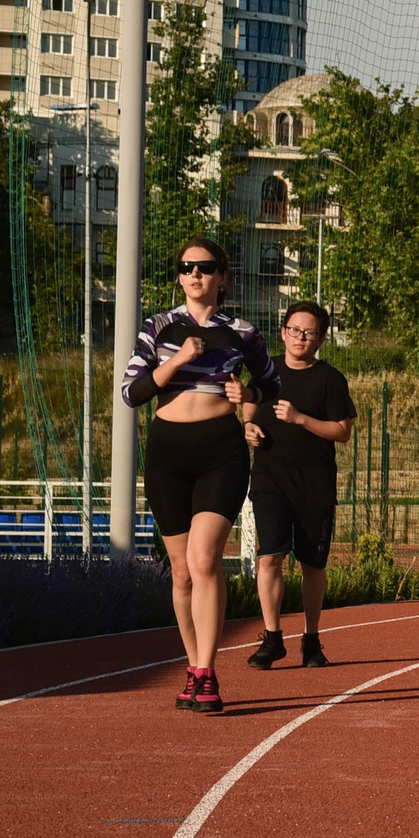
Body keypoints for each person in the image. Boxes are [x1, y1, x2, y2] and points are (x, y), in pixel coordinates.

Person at [120, 238, 281, 717]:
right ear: (179, 276)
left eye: (205, 268)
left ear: (223, 276)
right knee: (184, 571)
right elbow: (132, 392)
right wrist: (177, 359)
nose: (195, 274)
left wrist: (245, 390)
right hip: (168, 453)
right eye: (186, 267)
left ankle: (208, 673)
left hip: (221, 450)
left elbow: (271, 385)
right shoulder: (159, 327)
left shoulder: (242, 332)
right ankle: (192, 667)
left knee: (205, 559)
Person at [240, 301, 353, 671]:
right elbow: (247, 405)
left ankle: (311, 639)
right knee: (270, 556)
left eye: (308, 332)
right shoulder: (265, 371)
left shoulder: (329, 379)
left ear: (320, 338)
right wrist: (248, 428)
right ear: (283, 330)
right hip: (270, 480)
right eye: (293, 329)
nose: (299, 337)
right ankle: (272, 639)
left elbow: (342, 431)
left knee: (311, 564)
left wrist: (301, 418)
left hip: (314, 486)